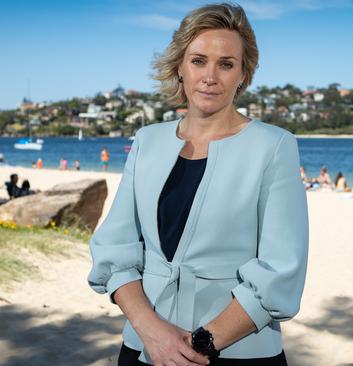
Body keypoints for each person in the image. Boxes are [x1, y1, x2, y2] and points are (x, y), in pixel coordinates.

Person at [87, 4, 309, 366]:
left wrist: (201, 344)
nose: (210, 76)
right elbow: (115, 250)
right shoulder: (147, 140)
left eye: (226, 64)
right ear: (179, 67)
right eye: (199, 61)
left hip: (237, 352)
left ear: (243, 74)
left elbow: (280, 271)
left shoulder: (274, 146)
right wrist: (152, 331)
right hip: (146, 347)